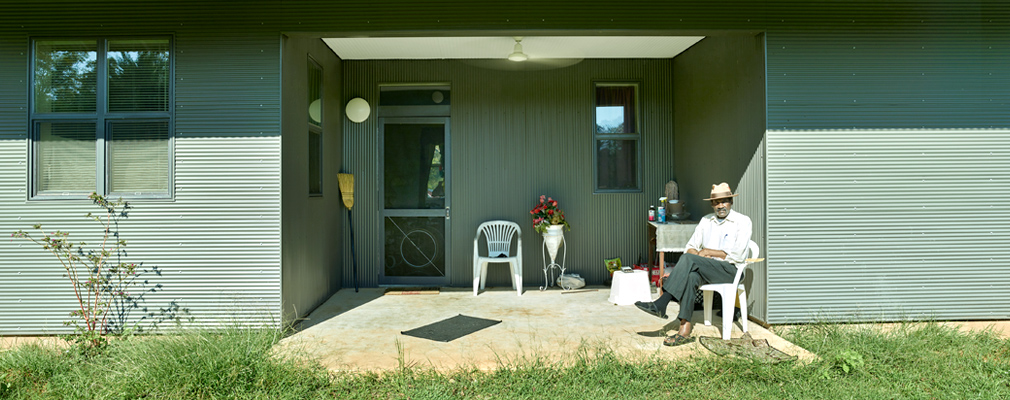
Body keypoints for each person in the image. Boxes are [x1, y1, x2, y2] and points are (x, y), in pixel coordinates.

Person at [635, 182, 753, 346]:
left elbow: (738, 255)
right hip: (704, 268)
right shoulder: (706, 221)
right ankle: (684, 330)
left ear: (731, 202)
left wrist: (707, 252)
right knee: (690, 275)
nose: (721, 205)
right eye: (716, 202)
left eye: (724, 201)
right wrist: (698, 256)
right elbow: (690, 248)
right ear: (712, 204)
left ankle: (662, 302)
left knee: (690, 260)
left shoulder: (742, 221)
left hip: (730, 270)